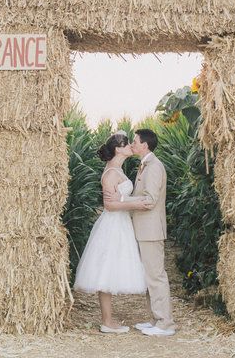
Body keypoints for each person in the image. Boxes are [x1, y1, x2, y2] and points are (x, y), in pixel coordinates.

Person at [73, 131, 154, 333]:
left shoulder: (117, 170)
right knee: (106, 270)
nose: (130, 147)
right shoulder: (110, 173)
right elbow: (109, 205)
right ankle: (107, 322)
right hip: (112, 225)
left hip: (121, 223)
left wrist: (132, 202)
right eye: (127, 144)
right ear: (118, 149)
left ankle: (108, 320)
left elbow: (120, 199)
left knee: (111, 269)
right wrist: (137, 204)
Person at [122, 128, 176, 336]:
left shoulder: (154, 166)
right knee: (148, 276)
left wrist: (124, 201)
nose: (132, 144)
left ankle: (166, 324)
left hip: (151, 230)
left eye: (135, 141)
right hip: (143, 229)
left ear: (144, 145)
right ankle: (155, 319)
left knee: (156, 276)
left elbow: (151, 200)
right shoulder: (145, 165)